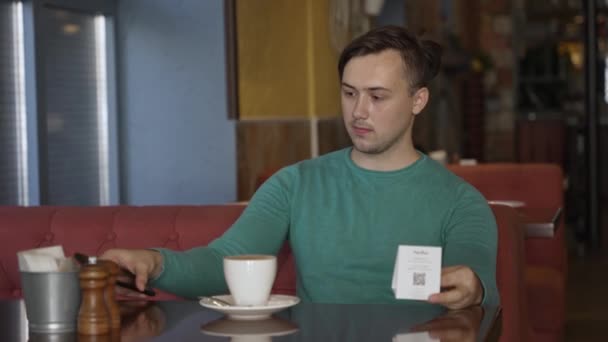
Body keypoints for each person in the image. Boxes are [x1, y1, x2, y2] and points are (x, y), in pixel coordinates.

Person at [102, 25, 498, 309]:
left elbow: (472, 269)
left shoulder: (460, 201)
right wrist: (156, 263)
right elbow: (228, 261)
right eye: (349, 93)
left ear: (418, 100)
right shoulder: (296, 183)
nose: (359, 112)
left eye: (377, 96)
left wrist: (473, 286)